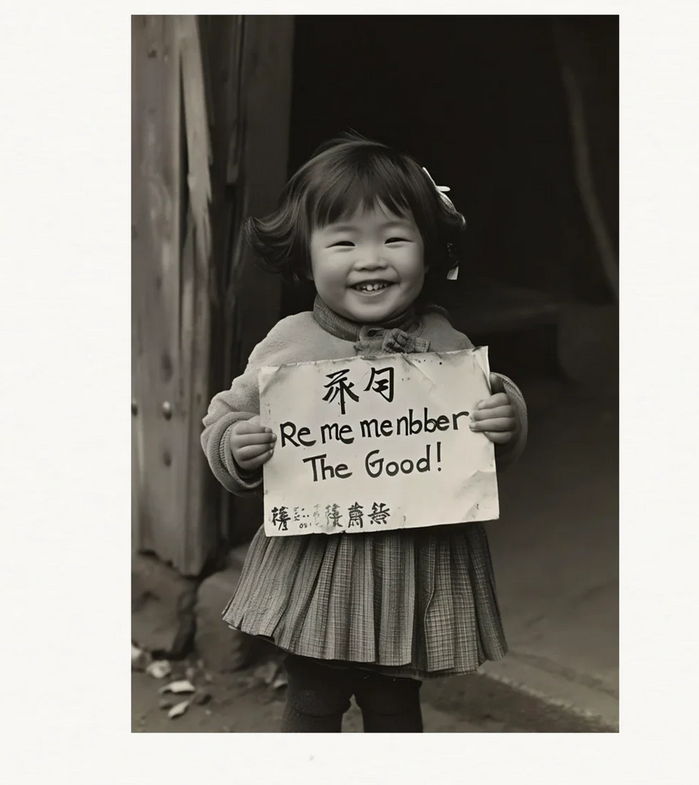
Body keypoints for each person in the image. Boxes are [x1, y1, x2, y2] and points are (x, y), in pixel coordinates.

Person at [201, 132, 529, 732]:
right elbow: (224, 415)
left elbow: (474, 441)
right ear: (305, 257)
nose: (371, 258)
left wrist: (502, 417)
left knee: (394, 703)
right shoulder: (289, 344)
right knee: (313, 697)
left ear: (429, 253)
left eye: (395, 238)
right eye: (344, 241)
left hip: (413, 565)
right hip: (322, 563)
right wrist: (236, 444)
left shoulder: (446, 345)